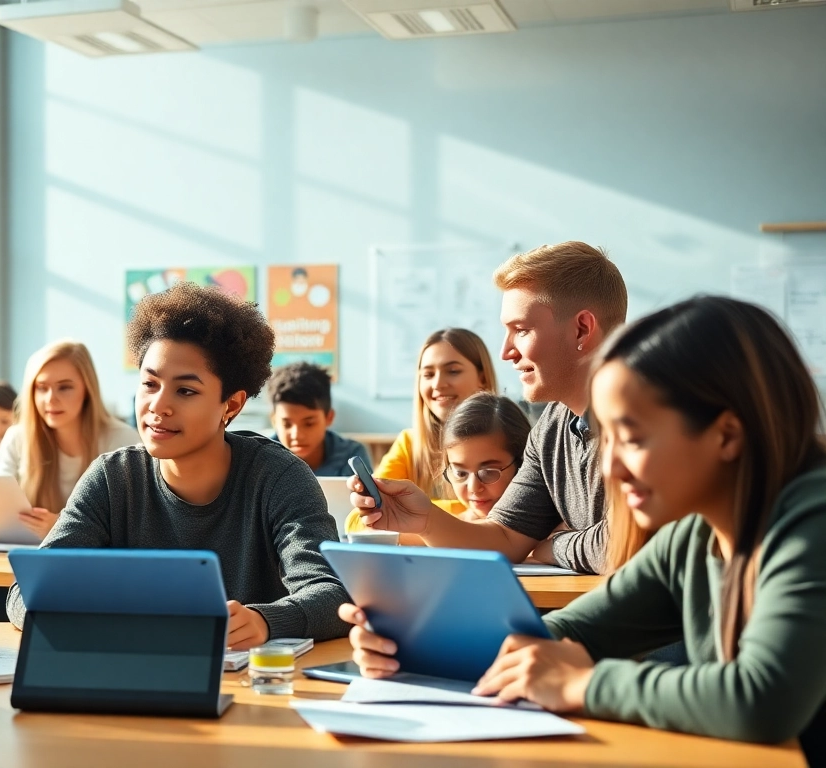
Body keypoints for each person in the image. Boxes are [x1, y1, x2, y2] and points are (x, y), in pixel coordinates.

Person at [340, 296, 826, 764]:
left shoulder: (812, 520)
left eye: (631, 439)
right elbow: (566, 631)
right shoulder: (694, 536)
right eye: (605, 439)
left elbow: (763, 700)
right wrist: (414, 646)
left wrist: (580, 685)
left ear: (727, 434)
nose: (610, 467)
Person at [5, 282, 350, 648]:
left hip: (250, 680)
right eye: (149, 384)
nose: (158, 405)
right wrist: (81, 620)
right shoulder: (111, 478)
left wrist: (265, 621)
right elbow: (25, 592)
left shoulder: (278, 476)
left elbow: (332, 594)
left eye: (185, 391)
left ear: (231, 406)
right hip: (134, 672)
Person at [349, 242, 628, 574]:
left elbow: (624, 541)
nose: (505, 352)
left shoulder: (647, 414)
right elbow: (504, 537)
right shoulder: (551, 427)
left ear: (582, 328)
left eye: (521, 331)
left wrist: (556, 546)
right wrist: (424, 521)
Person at [0, 341, 139, 539]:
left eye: (64, 387)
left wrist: (65, 528)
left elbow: (133, 527)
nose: (51, 399)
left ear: (87, 390)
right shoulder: (17, 438)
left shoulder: (123, 441)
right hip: (24, 552)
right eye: (41, 388)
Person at [344, 393, 531, 533]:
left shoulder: (544, 526)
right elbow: (356, 524)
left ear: (524, 465)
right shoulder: (454, 517)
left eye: (489, 471)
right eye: (460, 473)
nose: (473, 487)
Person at [376, 329, 498, 512]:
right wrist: (463, 515)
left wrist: (408, 513)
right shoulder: (409, 444)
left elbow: (505, 513)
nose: (438, 384)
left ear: (482, 378)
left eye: (453, 371)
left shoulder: (507, 441)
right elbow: (361, 517)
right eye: (428, 374)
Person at [264, 361, 369, 476]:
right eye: (287, 425)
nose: (297, 435)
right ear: (274, 420)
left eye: (309, 424)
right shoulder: (264, 457)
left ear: (329, 417)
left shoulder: (351, 456)